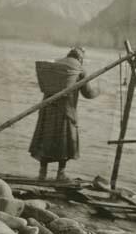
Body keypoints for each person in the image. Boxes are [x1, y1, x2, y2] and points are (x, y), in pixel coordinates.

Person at [29, 47, 99, 181]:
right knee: (65, 142)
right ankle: (60, 173)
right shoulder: (79, 69)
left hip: (47, 108)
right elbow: (88, 93)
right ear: (80, 58)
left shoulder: (55, 65)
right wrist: (99, 90)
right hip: (66, 111)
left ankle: (42, 173)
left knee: (46, 139)